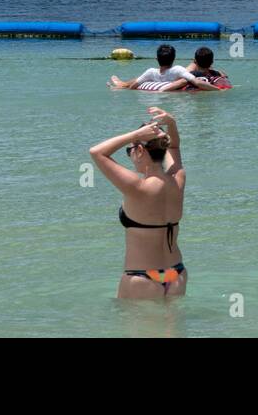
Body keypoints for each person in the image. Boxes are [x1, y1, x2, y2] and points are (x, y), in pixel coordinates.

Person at [89, 107, 187, 299]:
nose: (130, 155)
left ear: (140, 150)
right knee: (172, 328)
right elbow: (174, 147)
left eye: (130, 150)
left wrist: (135, 135)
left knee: (136, 329)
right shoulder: (178, 179)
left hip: (142, 277)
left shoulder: (137, 186)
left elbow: (97, 152)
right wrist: (171, 123)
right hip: (176, 274)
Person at [109, 44, 213, 91]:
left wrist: (127, 88)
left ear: (156, 59)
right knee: (192, 65)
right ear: (174, 58)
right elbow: (196, 82)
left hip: (158, 80)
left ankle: (122, 85)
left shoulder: (151, 72)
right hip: (177, 81)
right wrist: (219, 89)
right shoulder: (177, 70)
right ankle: (122, 84)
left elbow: (134, 86)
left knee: (141, 78)